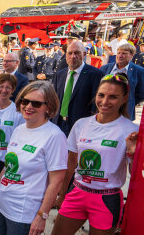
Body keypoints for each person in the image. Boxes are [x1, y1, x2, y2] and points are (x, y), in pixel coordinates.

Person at [52, 73, 138, 235]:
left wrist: (133, 153)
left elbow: (134, 176)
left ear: (125, 98)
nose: (105, 102)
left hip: (106, 199)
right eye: (101, 95)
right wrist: (62, 194)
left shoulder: (131, 130)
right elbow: (71, 164)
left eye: (113, 97)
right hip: (77, 193)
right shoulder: (81, 124)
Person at [0, 81, 67, 235]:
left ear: (48, 107)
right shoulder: (19, 129)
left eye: (36, 103)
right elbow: (7, 168)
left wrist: (42, 216)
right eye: (25, 101)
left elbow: (56, 182)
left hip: (24, 214)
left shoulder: (54, 136)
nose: (28, 106)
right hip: (2, 206)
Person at [52, 41, 104, 135]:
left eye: (77, 53)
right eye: (70, 53)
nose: (73, 56)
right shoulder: (60, 74)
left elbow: (96, 103)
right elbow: (54, 99)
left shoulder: (95, 74)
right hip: (58, 124)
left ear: (84, 54)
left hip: (81, 126)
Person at [0, 73, 25, 183]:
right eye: (1, 86)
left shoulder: (18, 112)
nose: (4, 90)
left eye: (8, 87)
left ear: (13, 90)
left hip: (4, 160)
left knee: (0, 193)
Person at [99, 43, 144, 120]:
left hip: (125, 112)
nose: (120, 56)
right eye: (119, 53)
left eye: (124, 53)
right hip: (105, 109)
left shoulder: (139, 71)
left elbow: (141, 93)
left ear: (132, 55)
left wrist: (129, 101)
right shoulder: (105, 68)